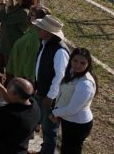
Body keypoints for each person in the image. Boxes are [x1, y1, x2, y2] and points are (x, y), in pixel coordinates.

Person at [0, 73, 40, 154]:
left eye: (8, 89)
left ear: (15, 94)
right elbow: (11, 99)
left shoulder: (9, 114)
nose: (7, 90)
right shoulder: (33, 105)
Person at [33, 15, 70, 154]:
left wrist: (50, 97)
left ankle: (48, 151)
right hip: (43, 92)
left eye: (40, 28)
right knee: (44, 124)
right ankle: (45, 150)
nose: (38, 29)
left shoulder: (59, 51)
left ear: (47, 32)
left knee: (49, 128)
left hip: (50, 97)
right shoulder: (45, 44)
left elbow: (59, 76)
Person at [50, 47, 97, 154]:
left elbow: (72, 109)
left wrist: (55, 113)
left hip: (77, 124)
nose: (77, 65)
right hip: (69, 120)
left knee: (71, 150)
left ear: (88, 64)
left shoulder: (85, 84)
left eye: (82, 63)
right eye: (75, 61)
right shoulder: (73, 73)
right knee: (66, 149)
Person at [0, 0, 36, 84]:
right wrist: (10, 0)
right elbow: (10, 12)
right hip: (3, 43)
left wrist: (2, 3)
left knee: (10, 73)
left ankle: (9, 95)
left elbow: (5, 19)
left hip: (11, 46)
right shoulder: (19, 7)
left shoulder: (24, 12)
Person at [6, 6, 51, 83]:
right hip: (15, 71)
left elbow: (31, 58)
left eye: (33, 15)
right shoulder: (31, 30)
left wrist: (27, 78)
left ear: (40, 19)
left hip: (21, 77)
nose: (30, 16)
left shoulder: (35, 36)